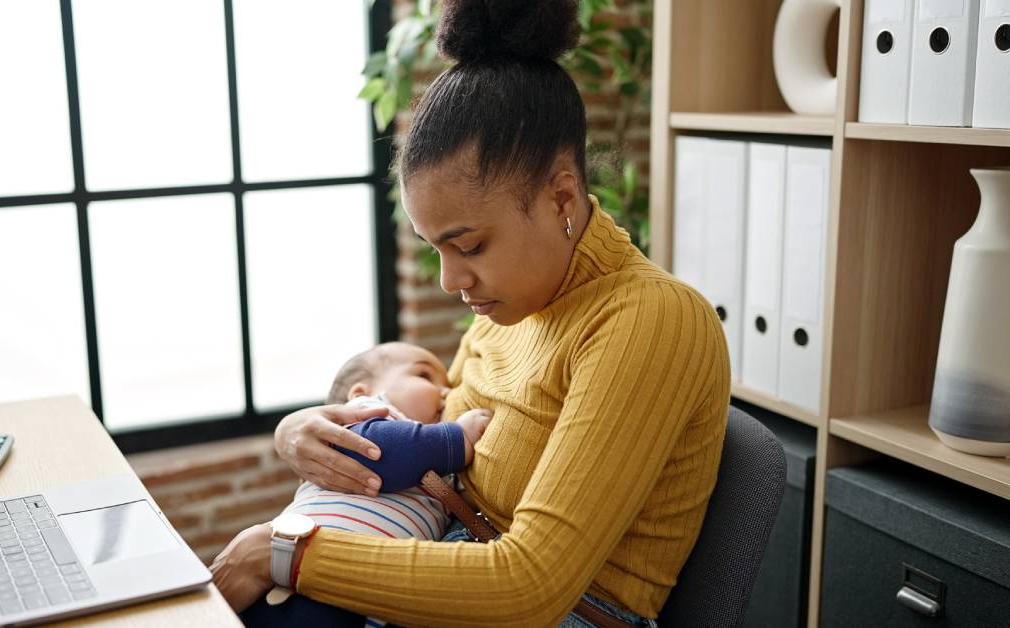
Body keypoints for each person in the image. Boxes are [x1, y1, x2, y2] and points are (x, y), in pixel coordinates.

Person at [210, 0, 731, 625]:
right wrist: (299, 431)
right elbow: (438, 419)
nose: (451, 279)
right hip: (442, 553)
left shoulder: (651, 321)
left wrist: (285, 554)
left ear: (561, 196)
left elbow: (531, 587)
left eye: (470, 246)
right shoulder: (516, 304)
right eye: (437, 250)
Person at [239, 342, 492, 627]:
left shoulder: (434, 464)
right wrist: (457, 437)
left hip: (363, 594)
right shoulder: (361, 421)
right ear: (361, 393)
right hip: (301, 586)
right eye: (424, 376)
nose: (445, 393)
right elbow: (386, 453)